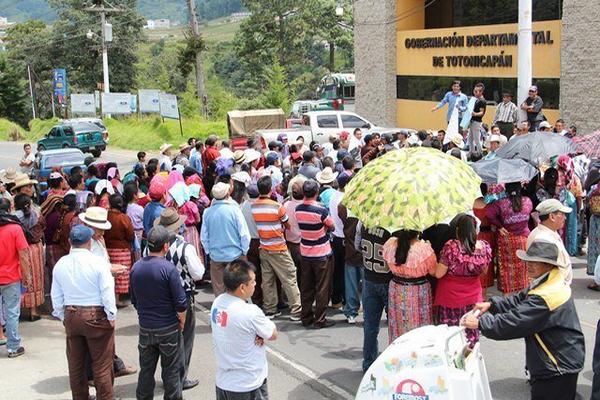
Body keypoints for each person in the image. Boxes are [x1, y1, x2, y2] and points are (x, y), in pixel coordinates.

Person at [463, 240, 584, 400]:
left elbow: (515, 321)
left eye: (536, 262)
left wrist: (481, 323)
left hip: (557, 364)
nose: (530, 265)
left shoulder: (548, 293)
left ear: (548, 265)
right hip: (561, 357)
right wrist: (492, 304)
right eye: (529, 260)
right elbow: (521, 299)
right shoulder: (547, 279)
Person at [51, 225, 117, 400]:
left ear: (70, 242)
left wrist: (63, 316)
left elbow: (56, 296)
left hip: (71, 314)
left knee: (76, 366)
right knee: (101, 365)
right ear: (89, 242)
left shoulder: (61, 264)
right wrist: (111, 315)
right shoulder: (98, 263)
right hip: (95, 314)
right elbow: (107, 292)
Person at [130, 226, 187, 400]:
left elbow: (134, 300)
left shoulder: (136, 267)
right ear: (165, 247)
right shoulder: (168, 269)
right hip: (168, 327)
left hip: (146, 327)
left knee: (146, 370)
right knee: (171, 371)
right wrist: (181, 322)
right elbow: (181, 303)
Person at [153, 207, 205, 390]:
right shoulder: (185, 248)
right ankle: (180, 378)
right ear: (176, 227)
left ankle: (169, 376)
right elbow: (198, 274)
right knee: (185, 339)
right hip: (183, 298)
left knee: (168, 341)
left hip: (161, 298)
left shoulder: (152, 247)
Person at [211, 259, 277, 400]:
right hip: (248, 385)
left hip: (224, 382)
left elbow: (232, 328)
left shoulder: (217, 303)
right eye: (252, 282)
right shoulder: (250, 312)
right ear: (242, 287)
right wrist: (258, 333)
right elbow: (272, 334)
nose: (255, 284)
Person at [433, 214, 491, 346]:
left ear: (458, 230)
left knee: (450, 335)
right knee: (470, 332)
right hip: (473, 297)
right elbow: (485, 271)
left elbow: (439, 274)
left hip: (450, 297)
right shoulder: (484, 247)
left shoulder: (451, 247)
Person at [251, 176, 302, 320]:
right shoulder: (277, 206)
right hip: (278, 247)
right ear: (270, 189)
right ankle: (296, 309)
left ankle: (270, 309)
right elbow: (287, 225)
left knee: (268, 280)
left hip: (264, 246)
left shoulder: (254, 206)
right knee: (290, 276)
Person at [382, 230, 436, 342]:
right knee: (420, 326)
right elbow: (434, 272)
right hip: (418, 290)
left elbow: (387, 266)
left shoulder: (391, 244)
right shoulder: (424, 249)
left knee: (398, 326)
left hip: (396, 289)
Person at [295, 180, 335, 329]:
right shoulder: (321, 210)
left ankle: (306, 316)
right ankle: (320, 319)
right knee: (322, 287)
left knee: (306, 287)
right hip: (321, 253)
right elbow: (331, 225)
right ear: (316, 192)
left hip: (305, 252)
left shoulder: (298, 209)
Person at [201, 181, 250, 297]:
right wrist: (244, 251)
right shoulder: (235, 210)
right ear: (228, 194)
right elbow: (244, 234)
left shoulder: (207, 212)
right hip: (235, 255)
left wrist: (209, 252)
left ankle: (222, 311)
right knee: (238, 287)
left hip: (216, 256)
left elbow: (204, 237)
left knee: (219, 290)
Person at [487, 182, 533, 294]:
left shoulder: (500, 203)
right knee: (524, 268)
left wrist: (499, 225)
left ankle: (506, 298)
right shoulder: (527, 201)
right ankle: (524, 295)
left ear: (506, 190)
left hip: (507, 240)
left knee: (507, 269)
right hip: (524, 239)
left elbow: (488, 214)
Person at [0, 197, 31, 358]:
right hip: (11, 277)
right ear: (9, 209)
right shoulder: (14, 229)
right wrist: (27, 276)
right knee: (12, 312)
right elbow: (24, 254)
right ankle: (13, 347)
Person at [13, 193, 46, 320]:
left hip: (21, 249)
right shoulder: (37, 215)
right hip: (36, 249)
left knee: (24, 278)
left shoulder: (14, 217)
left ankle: (19, 309)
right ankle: (34, 311)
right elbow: (43, 227)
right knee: (36, 278)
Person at [337, 174, 363, 324]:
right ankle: (365, 309)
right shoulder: (367, 203)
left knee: (351, 282)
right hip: (364, 249)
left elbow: (342, 219)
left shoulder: (343, 205)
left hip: (350, 247)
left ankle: (351, 311)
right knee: (366, 283)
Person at [528, 199, 573, 286]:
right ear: (552, 217)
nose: (565, 217)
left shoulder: (547, 233)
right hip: (552, 290)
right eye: (562, 214)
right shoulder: (543, 240)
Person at [104, 194, 134, 307]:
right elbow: (131, 235)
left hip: (108, 249)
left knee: (110, 275)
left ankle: (112, 298)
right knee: (120, 275)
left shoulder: (106, 216)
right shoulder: (124, 218)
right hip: (122, 250)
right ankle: (117, 299)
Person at [467, 83, 487, 159]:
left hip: (477, 122)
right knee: (470, 138)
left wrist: (474, 114)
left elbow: (482, 112)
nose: (475, 93)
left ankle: (480, 153)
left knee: (476, 139)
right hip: (472, 121)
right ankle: (471, 152)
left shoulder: (482, 101)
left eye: (476, 91)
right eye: (474, 91)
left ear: (481, 92)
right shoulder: (475, 100)